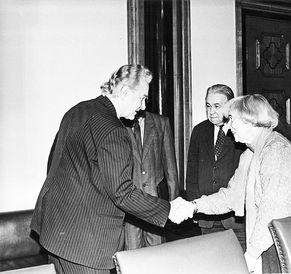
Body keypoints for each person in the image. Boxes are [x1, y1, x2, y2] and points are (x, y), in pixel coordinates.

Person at [30, 64, 191, 274]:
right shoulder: (114, 130)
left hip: (55, 233)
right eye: (141, 98)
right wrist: (168, 209)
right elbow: (122, 193)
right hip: (86, 246)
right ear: (124, 92)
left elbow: (55, 162)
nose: (142, 106)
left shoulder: (78, 110)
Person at [183, 94, 291, 274]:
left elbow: (274, 211)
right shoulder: (250, 154)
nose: (228, 126)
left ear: (251, 120)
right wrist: (193, 206)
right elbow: (230, 197)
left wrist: (252, 254)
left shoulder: (277, 151)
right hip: (271, 241)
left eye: (232, 119)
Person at [186, 84, 246, 250]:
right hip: (207, 218)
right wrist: (195, 206)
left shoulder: (240, 131)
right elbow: (191, 173)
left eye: (217, 106)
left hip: (235, 218)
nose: (211, 111)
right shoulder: (199, 131)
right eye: (208, 105)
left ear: (230, 105)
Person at [121, 110, 179, 249]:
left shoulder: (161, 123)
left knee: (157, 253)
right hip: (130, 204)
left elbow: (170, 167)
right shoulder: (119, 123)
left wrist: (174, 204)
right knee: (132, 254)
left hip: (156, 202)